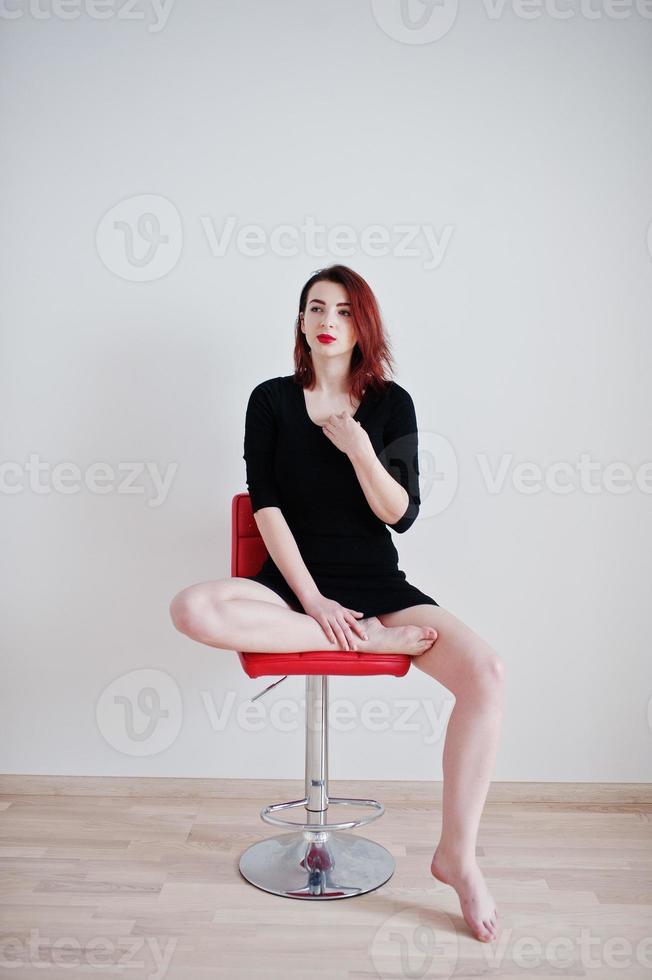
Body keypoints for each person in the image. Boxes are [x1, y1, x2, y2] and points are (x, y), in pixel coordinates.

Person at [170, 264, 504, 943]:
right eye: (316, 307)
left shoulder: (390, 404)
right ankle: (358, 639)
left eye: (346, 311)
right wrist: (313, 599)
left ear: (362, 326)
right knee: (192, 608)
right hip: (290, 588)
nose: (329, 319)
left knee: (487, 676)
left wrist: (356, 446)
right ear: (300, 321)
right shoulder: (269, 399)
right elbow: (264, 504)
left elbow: (400, 514)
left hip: (378, 588)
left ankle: (458, 858)